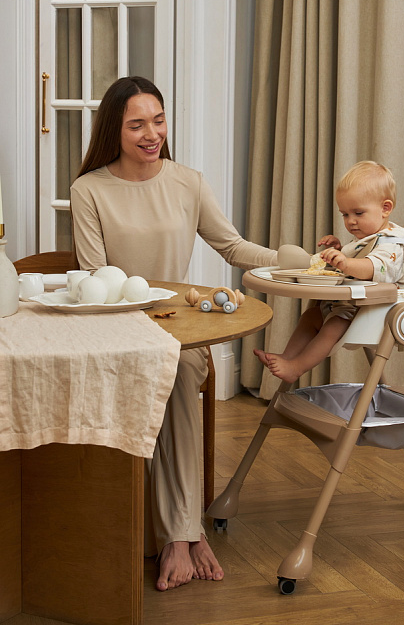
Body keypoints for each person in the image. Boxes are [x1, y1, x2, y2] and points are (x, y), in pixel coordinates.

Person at [70, 76, 277, 591]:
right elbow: (96, 278)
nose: (152, 134)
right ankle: (188, 534)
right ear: (114, 131)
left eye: (158, 121)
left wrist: (298, 263)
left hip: (179, 334)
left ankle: (179, 536)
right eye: (137, 125)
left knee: (181, 368)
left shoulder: (188, 182)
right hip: (117, 332)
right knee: (165, 368)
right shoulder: (89, 189)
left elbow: (233, 247)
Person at [255, 161, 404, 384]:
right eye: (345, 214)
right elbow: (358, 259)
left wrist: (346, 263)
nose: (351, 221)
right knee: (311, 316)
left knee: (334, 324)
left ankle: (296, 368)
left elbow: (373, 268)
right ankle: (287, 358)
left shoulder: (390, 243)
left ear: (385, 208)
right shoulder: (367, 237)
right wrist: (340, 249)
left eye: (358, 213)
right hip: (351, 305)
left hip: (376, 310)